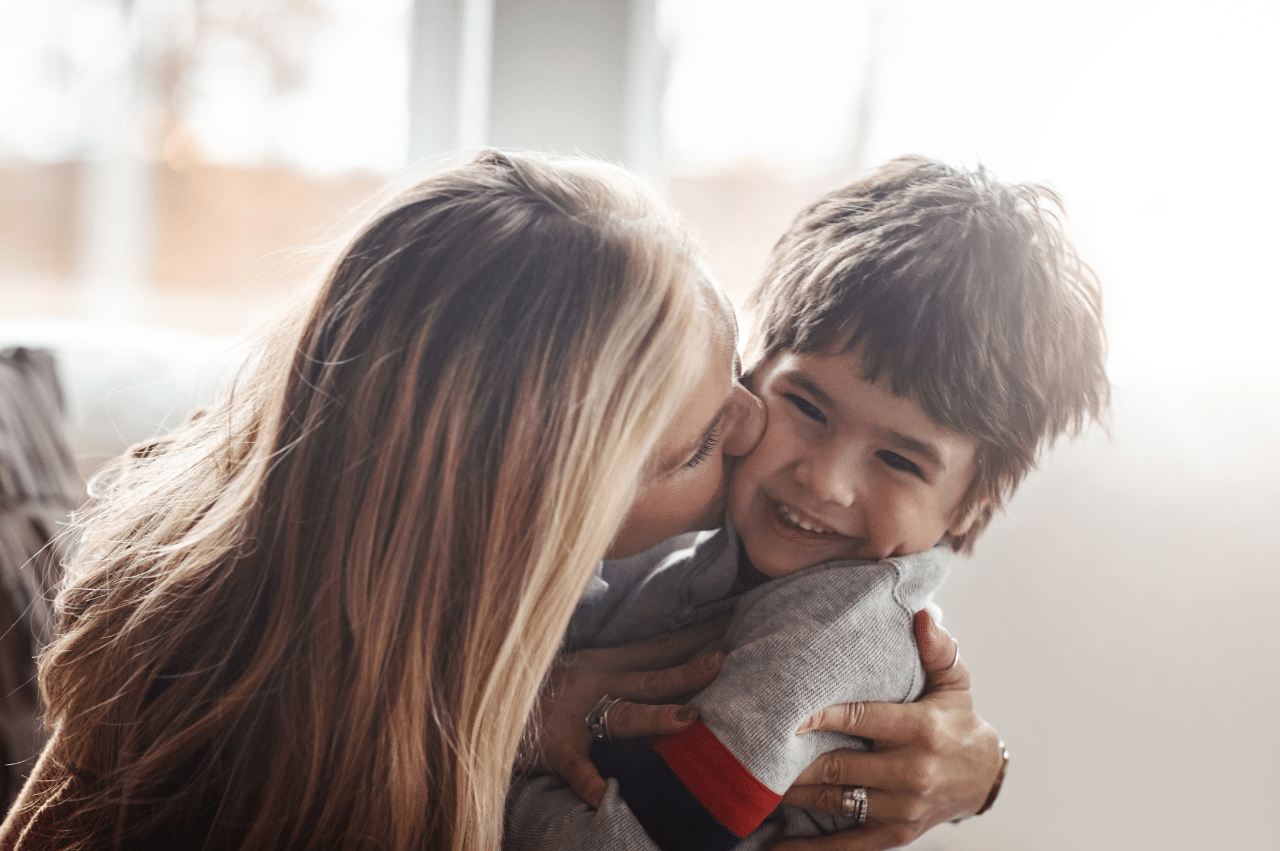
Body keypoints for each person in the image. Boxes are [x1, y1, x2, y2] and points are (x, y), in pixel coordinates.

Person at [0, 149, 727, 851]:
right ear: (537, 521)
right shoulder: (233, 740)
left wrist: (516, 713)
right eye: (696, 446)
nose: (760, 421)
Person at [506, 156, 1108, 851]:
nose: (825, 480)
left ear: (974, 501)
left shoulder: (828, 640)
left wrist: (477, 762)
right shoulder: (693, 547)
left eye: (899, 459)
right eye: (807, 406)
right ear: (754, 368)